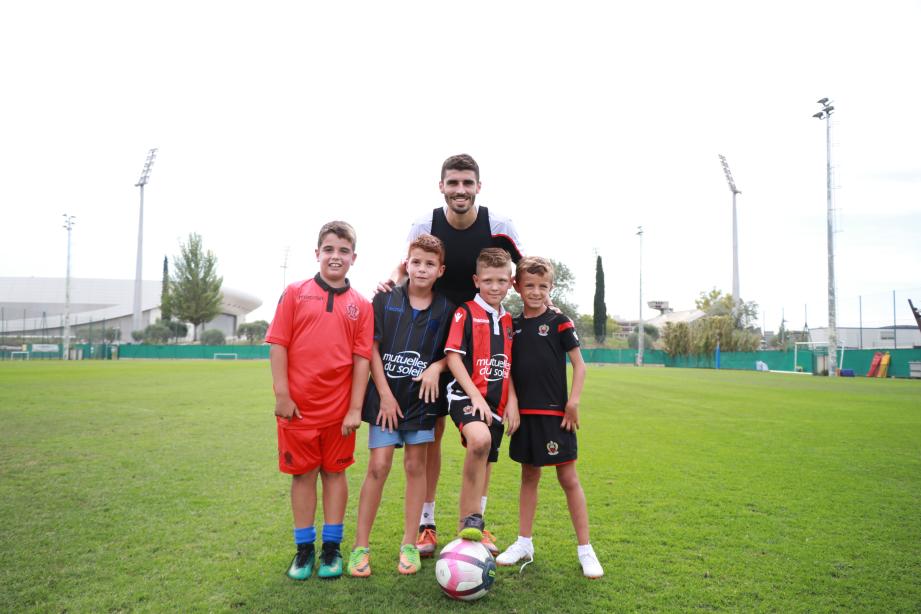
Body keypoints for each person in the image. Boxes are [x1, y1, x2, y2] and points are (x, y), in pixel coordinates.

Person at [380, 153, 525, 557]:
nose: (460, 190)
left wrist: (545, 304)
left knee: (486, 433)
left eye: (467, 183)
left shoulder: (499, 226)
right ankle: (427, 524)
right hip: (434, 334)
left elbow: (520, 270)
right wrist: (391, 280)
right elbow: (410, 264)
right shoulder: (425, 224)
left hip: (483, 338)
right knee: (432, 435)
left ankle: (476, 520)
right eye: (452, 183)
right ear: (440, 186)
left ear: (479, 186)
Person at [266, 221, 373, 581]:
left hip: (339, 412)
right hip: (298, 410)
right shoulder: (295, 293)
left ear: (353, 258)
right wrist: (282, 394)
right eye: (329, 249)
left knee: (335, 473)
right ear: (317, 254)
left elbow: (362, 359)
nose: (335, 256)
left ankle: (331, 549)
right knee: (303, 476)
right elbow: (278, 343)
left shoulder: (361, 305)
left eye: (343, 251)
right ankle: (304, 550)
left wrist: (356, 407)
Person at [347, 235, 454, 578]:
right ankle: (360, 547)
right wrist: (385, 393)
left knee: (414, 467)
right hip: (385, 400)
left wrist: (436, 368)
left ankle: (409, 543)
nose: (422, 268)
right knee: (378, 467)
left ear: (440, 270)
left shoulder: (446, 309)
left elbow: (450, 356)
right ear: (406, 264)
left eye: (429, 264)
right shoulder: (386, 299)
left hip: (421, 402)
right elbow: (372, 349)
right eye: (416, 262)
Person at [495, 256, 603, 579]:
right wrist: (511, 402)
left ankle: (585, 549)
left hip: (557, 416)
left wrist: (574, 402)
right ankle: (524, 542)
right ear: (517, 286)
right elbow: (508, 368)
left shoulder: (560, 322)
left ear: (551, 288)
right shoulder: (511, 325)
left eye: (543, 286)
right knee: (529, 476)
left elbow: (580, 366)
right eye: (529, 285)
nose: (536, 291)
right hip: (524, 418)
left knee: (568, 479)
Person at [443, 248, 520, 546]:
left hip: (498, 403)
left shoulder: (509, 321)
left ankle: (478, 525)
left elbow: (508, 365)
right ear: (476, 280)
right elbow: (452, 357)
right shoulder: (465, 312)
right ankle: (467, 523)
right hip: (465, 395)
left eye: (501, 281)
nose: (495, 287)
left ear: (510, 282)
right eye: (488, 280)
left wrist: (512, 401)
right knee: (480, 440)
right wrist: (474, 395)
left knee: (486, 460)